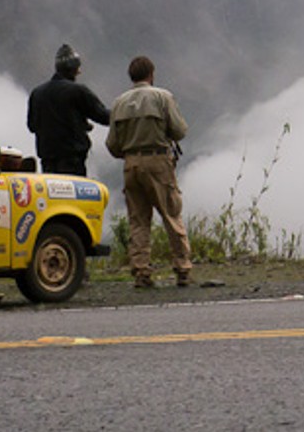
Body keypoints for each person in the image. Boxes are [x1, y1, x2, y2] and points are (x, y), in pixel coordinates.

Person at [105, 55, 191, 289]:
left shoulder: (119, 103)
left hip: (131, 164)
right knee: (171, 213)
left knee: (138, 220)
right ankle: (182, 268)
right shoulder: (162, 97)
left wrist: (129, 153)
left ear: (131, 76)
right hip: (158, 161)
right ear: (151, 75)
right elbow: (179, 131)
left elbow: (112, 144)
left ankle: (141, 271)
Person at [26, 44, 110, 176]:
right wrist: (124, 112)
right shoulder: (78, 91)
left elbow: (32, 126)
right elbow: (104, 117)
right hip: (72, 161)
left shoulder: (37, 94)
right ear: (74, 69)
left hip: (47, 162)